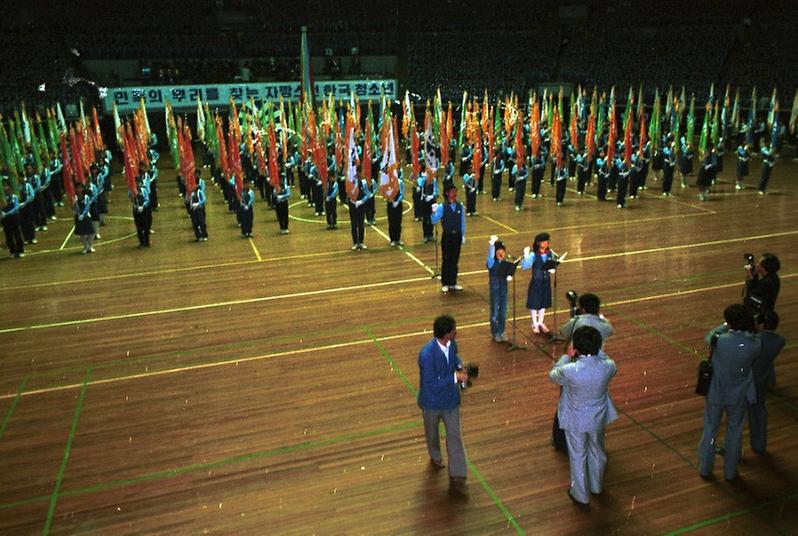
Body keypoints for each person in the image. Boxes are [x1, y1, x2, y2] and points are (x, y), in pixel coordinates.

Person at [549, 325, 618, 510]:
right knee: (597, 450)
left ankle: (581, 495)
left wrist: (566, 356)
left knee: (578, 456)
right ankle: (596, 486)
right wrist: (599, 353)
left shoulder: (570, 370)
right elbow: (609, 363)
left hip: (576, 419)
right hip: (598, 417)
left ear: (576, 348)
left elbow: (553, 375)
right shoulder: (608, 366)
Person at [698, 304, 760, 481]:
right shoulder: (754, 344)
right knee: (735, 431)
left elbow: (709, 336)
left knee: (710, 428)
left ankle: (705, 467)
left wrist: (725, 325)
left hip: (716, 390)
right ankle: (731, 471)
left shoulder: (720, 340)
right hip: (739, 393)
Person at [417, 314, 470, 492]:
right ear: (446, 334)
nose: (456, 332)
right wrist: (455, 376)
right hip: (431, 402)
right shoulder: (426, 355)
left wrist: (460, 365)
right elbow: (431, 383)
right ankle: (436, 455)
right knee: (432, 433)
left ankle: (458, 473)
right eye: (454, 330)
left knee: (455, 436)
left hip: (450, 401)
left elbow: (454, 358)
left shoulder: (451, 344)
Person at [748, 310, 785, 454]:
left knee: (740, 415)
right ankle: (760, 443)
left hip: (750, 380)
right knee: (760, 411)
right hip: (765, 378)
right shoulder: (779, 341)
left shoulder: (756, 341)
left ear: (763, 324)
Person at [431, 184, 466, 293]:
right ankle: (445, 283)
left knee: (455, 260)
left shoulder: (460, 206)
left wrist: (463, 235)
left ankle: (453, 282)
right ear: (447, 193)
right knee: (447, 259)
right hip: (447, 236)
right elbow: (434, 221)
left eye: (455, 191)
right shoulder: (442, 207)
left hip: (457, 236)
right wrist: (434, 212)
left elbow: (462, 222)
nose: (454, 194)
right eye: (452, 192)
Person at [521, 232, 554, 333]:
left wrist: (553, 267)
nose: (546, 244)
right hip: (536, 281)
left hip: (546, 280)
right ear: (538, 243)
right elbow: (524, 266)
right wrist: (525, 255)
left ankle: (541, 321)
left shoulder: (550, 253)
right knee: (535, 302)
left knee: (544, 301)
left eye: (547, 241)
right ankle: (534, 323)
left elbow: (552, 263)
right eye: (543, 242)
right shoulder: (534, 254)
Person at [486, 235, 513, 342]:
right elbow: (490, 257)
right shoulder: (492, 262)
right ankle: (495, 332)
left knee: (503, 311)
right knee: (495, 312)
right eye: (498, 252)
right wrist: (492, 245)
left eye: (503, 252)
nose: (501, 254)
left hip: (503, 288)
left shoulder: (506, 263)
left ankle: (502, 331)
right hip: (495, 288)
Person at [1, 180, 25, 258]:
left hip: (14, 218)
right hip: (5, 219)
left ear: (10, 187)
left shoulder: (14, 197)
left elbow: (16, 207)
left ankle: (20, 250)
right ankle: (13, 251)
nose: (5, 188)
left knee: (17, 234)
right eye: (3, 186)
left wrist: (7, 213)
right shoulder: (2, 200)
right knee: (8, 235)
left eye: (6, 186)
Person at [348, 173, 372, 250]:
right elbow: (348, 194)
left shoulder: (364, 183)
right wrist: (353, 201)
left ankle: (361, 242)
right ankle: (355, 243)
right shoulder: (350, 183)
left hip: (361, 206)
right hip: (353, 206)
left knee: (361, 224)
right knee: (354, 225)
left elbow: (368, 194)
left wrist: (361, 201)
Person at [385, 175, 404, 246]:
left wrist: (397, 201)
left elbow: (402, 193)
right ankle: (392, 239)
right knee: (391, 222)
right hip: (390, 204)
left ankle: (398, 239)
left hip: (398, 204)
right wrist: (392, 201)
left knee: (398, 222)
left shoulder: (400, 182)